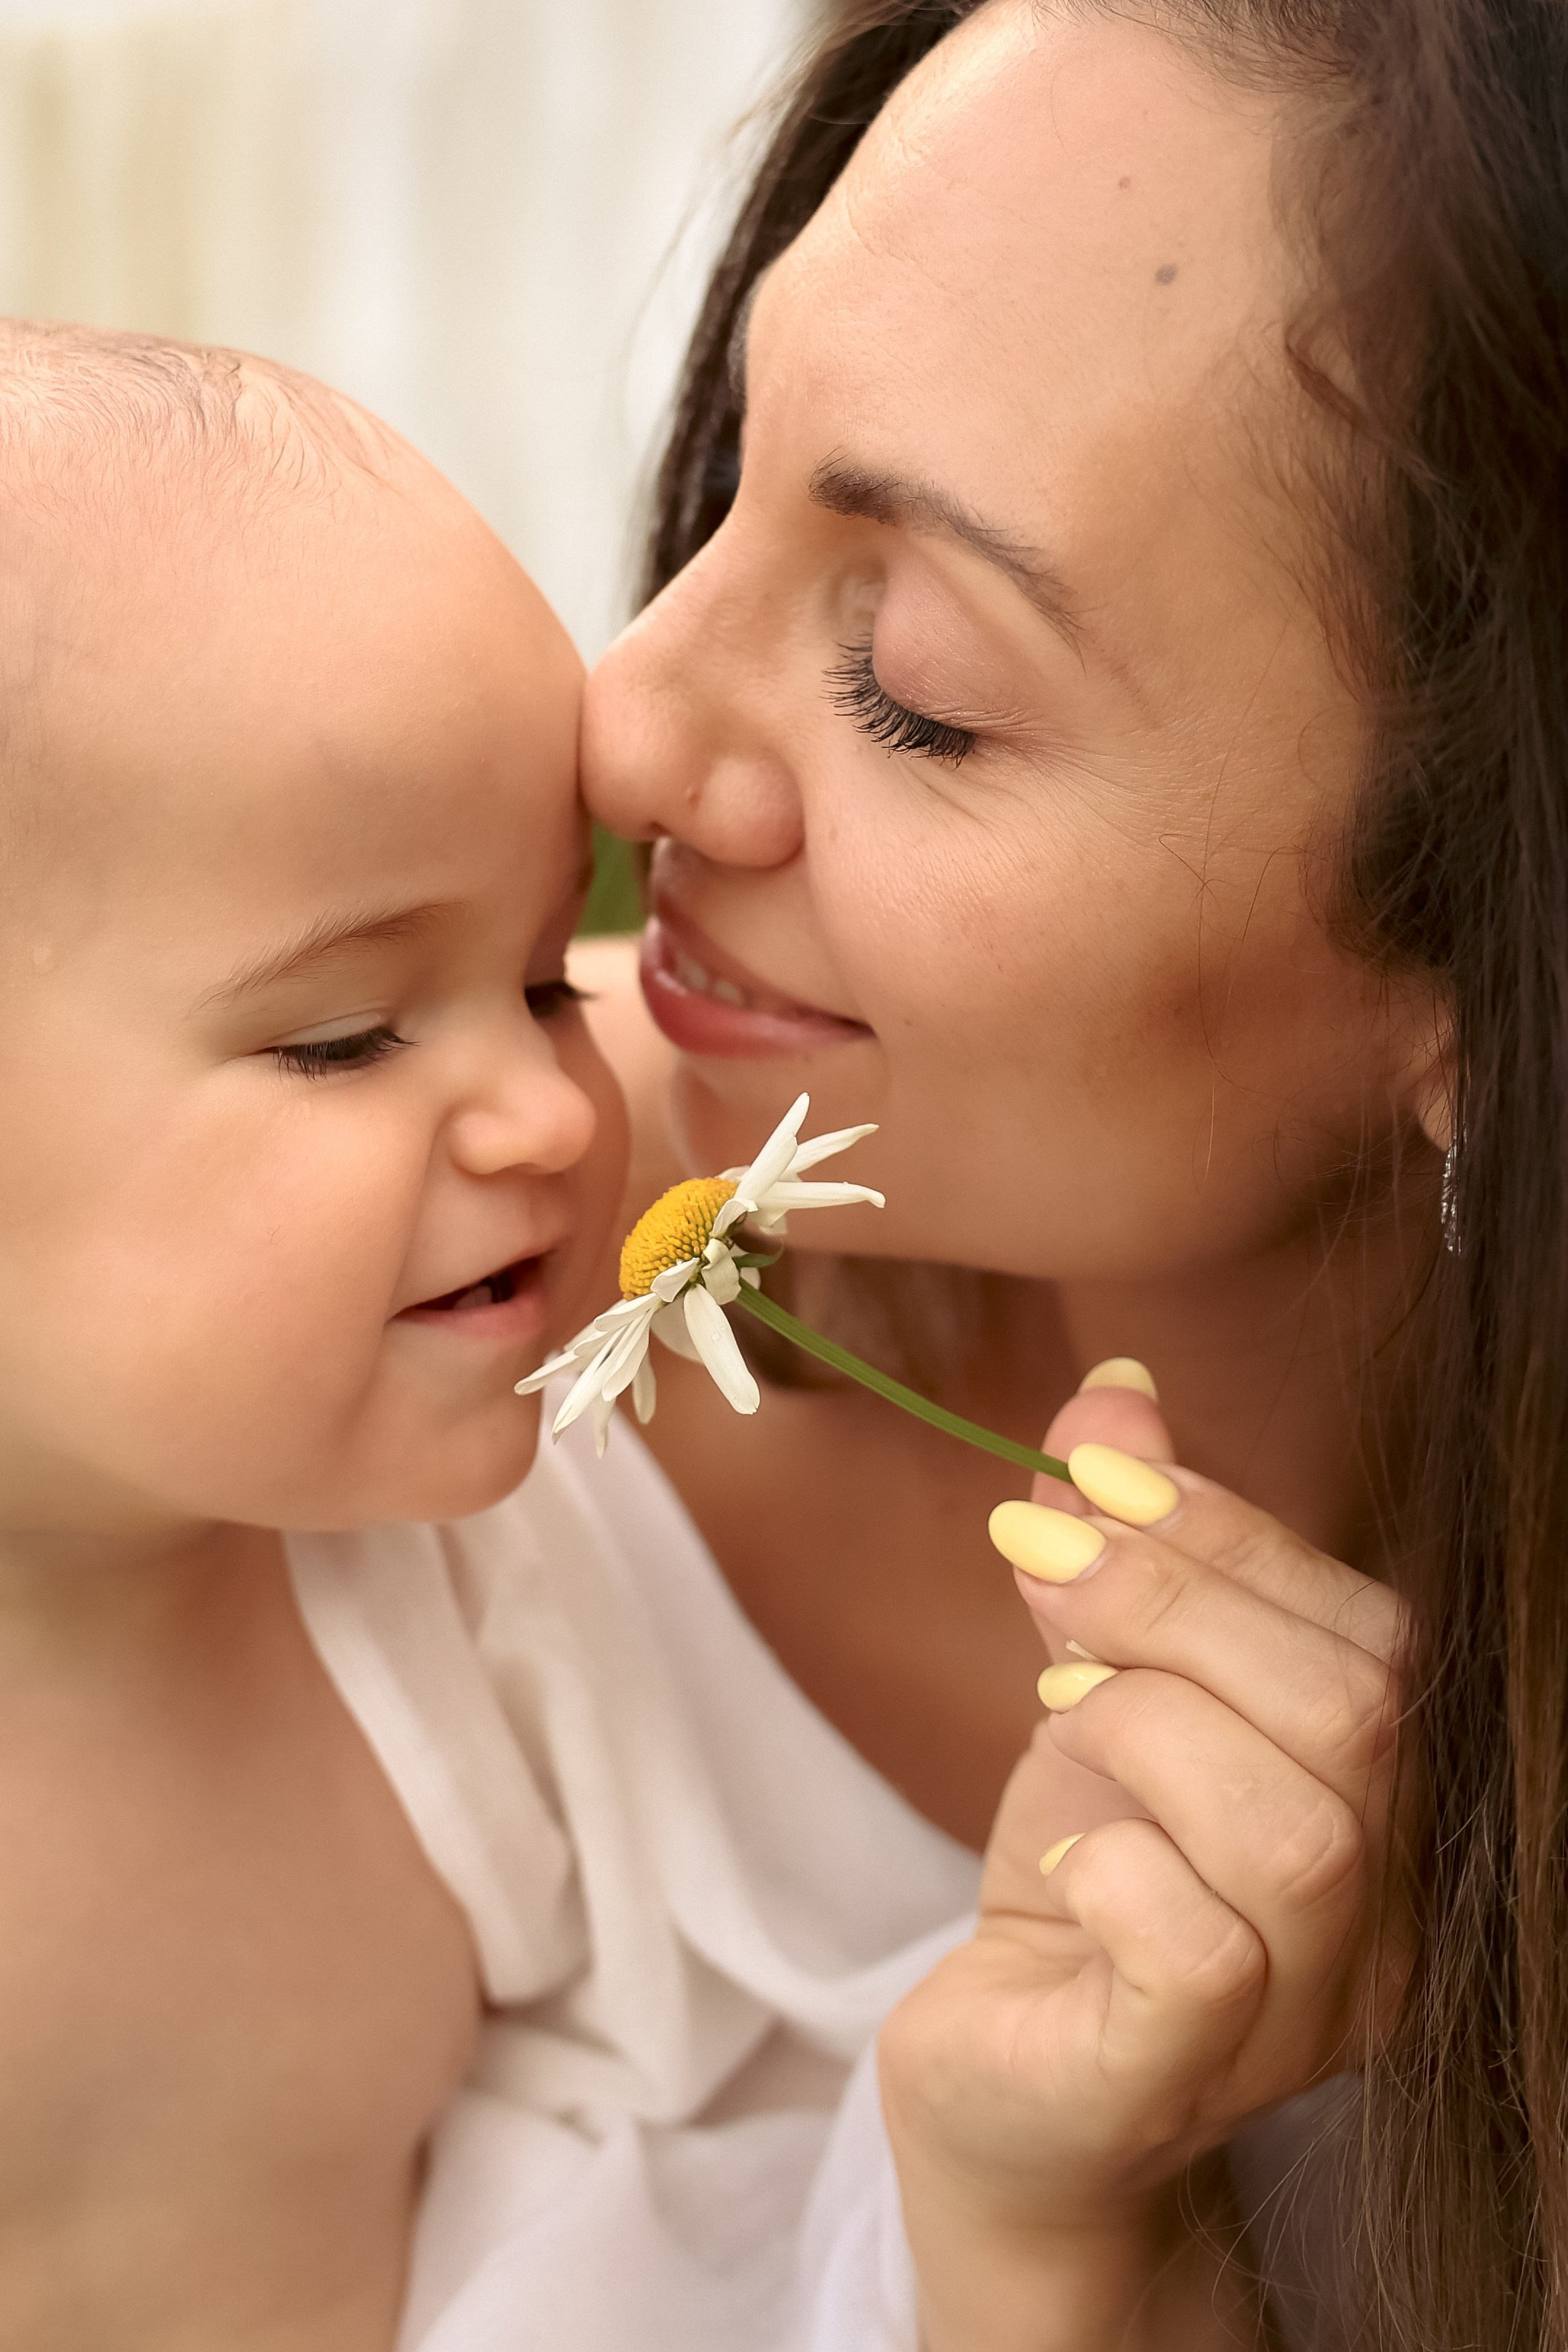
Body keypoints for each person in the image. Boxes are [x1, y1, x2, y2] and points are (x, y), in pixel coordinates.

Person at [575, 0, 1568, 2343]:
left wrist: (1059, 2267)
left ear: (1491, 968)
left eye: (913, 674)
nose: (619, 709)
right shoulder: (354, 1333)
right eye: (733, 457)